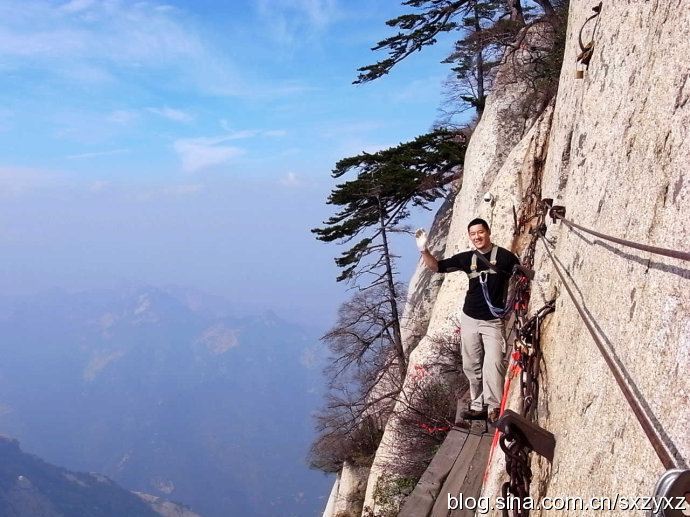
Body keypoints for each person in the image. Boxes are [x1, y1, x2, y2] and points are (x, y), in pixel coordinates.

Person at [415, 218, 520, 424]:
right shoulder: (467, 259)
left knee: (494, 362)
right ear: (469, 237)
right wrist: (424, 251)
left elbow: (521, 274)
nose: (477, 237)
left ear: (488, 232)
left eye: (480, 232)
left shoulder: (506, 258)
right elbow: (437, 267)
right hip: (470, 317)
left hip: (492, 321)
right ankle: (478, 405)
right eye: (473, 234)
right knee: (471, 365)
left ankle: (494, 406)